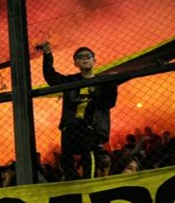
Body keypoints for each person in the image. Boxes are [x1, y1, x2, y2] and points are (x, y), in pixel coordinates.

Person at [39, 42, 118, 180]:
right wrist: (47, 55)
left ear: (95, 61)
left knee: (89, 152)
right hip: (71, 126)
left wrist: (112, 84)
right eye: (80, 57)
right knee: (66, 159)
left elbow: (109, 103)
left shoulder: (103, 82)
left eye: (88, 56)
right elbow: (51, 77)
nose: (85, 58)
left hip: (91, 126)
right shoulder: (71, 81)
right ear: (75, 63)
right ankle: (75, 183)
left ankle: (90, 182)